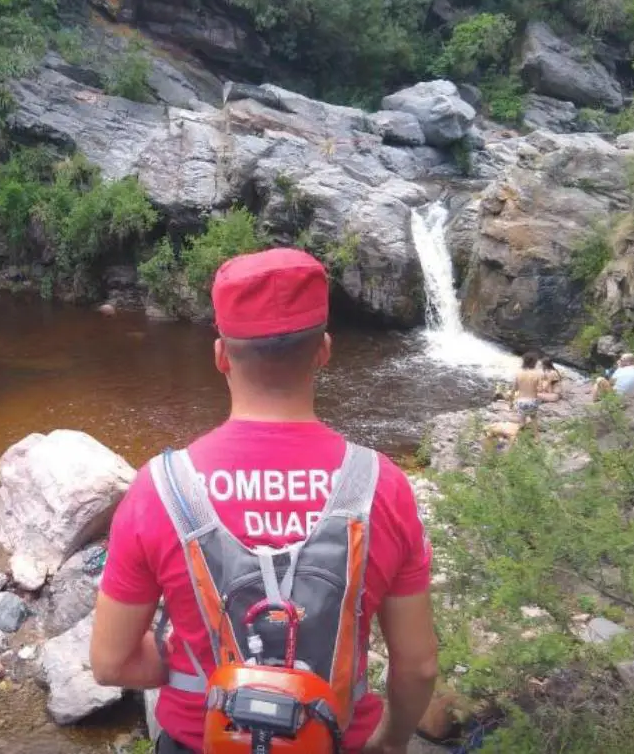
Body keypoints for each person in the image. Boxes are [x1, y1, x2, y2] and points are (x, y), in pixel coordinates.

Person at [91, 248, 437, 754]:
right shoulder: (382, 485)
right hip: (337, 741)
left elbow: (110, 662)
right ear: (323, 351)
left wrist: (188, 657)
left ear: (220, 356)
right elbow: (418, 665)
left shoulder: (160, 488)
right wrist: (390, 742)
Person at [511, 352, 542, 436]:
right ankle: (536, 437)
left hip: (521, 401)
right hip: (532, 401)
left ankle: (521, 434)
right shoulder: (537, 374)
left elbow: (514, 389)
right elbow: (540, 389)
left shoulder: (518, 373)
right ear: (534, 362)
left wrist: (510, 401)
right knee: (533, 418)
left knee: (522, 417)